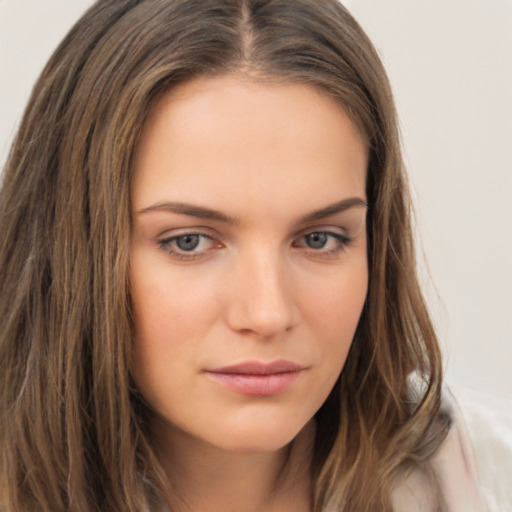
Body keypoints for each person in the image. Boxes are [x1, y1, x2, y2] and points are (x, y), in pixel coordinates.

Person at [0, 1, 490, 511]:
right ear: (70, 251)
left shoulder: (485, 477)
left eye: (320, 238)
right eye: (188, 241)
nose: (268, 313)